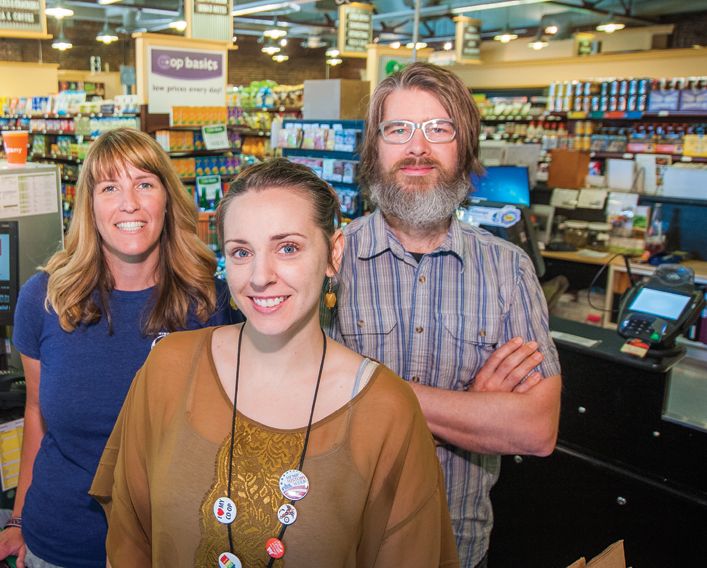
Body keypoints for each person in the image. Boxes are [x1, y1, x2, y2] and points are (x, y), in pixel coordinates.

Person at [92, 158, 458, 568]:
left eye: (287, 248)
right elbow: (128, 542)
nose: (260, 276)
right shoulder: (168, 369)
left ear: (334, 253)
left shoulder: (387, 410)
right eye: (242, 251)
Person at [0, 128, 237, 568]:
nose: (129, 203)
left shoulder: (210, 303)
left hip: (172, 546)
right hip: (60, 545)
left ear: (167, 198)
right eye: (110, 187)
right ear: (89, 205)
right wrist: (16, 522)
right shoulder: (44, 299)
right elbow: (36, 415)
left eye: (144, 184)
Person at [328, 62, 561, 568]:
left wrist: (366, 394)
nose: (418, 148)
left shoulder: (508, 269)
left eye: (439, 129)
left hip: (456, 547)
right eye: (398, 130)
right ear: (374, 149)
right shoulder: (329, 260)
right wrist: (471, 410)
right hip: (341, 543)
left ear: (465, 148)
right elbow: (299, 403)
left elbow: (536, 429)